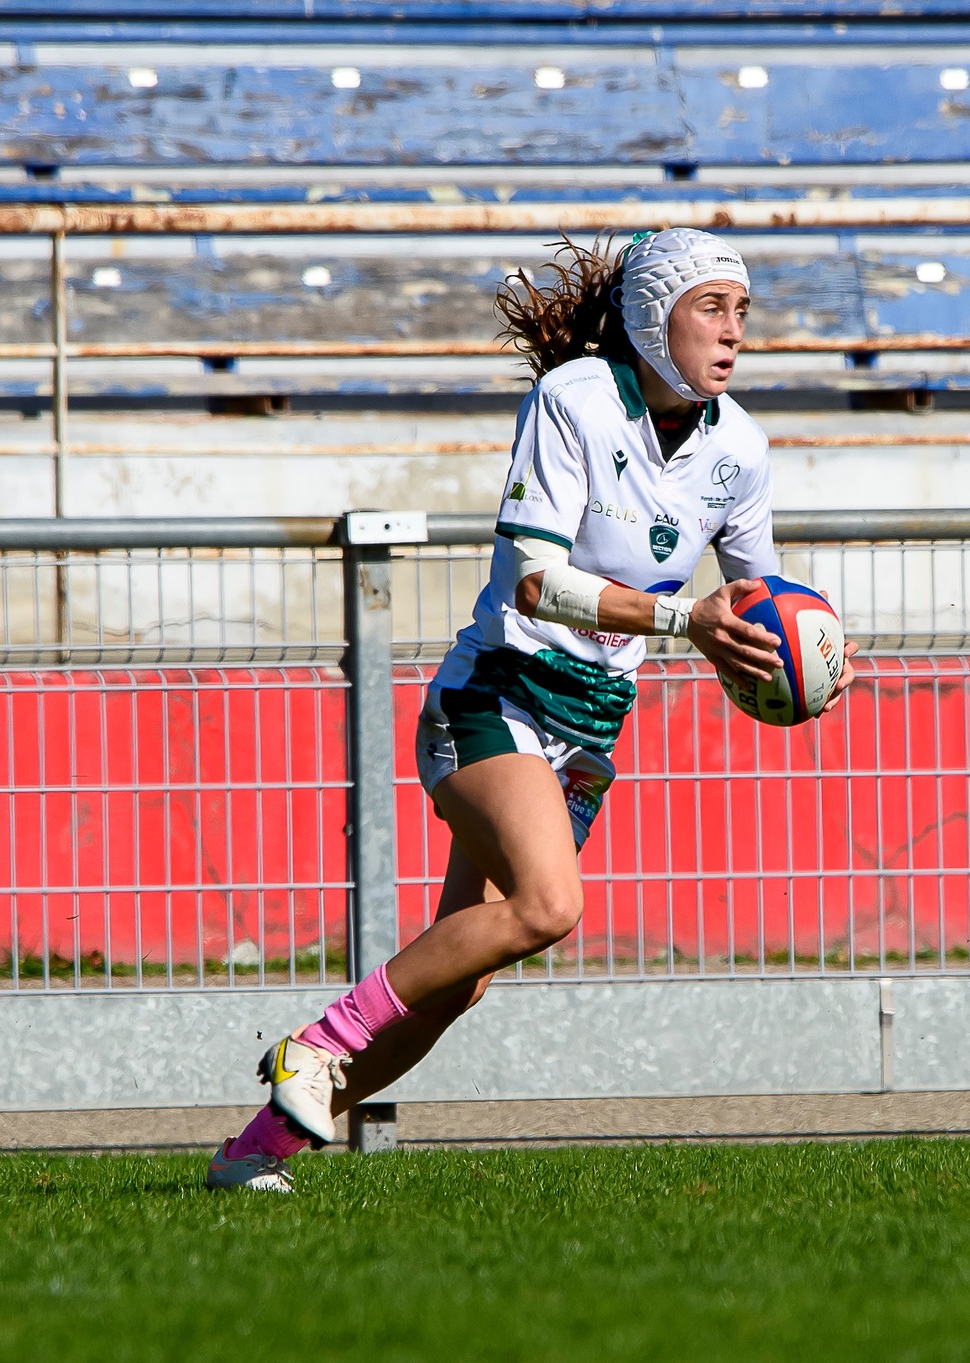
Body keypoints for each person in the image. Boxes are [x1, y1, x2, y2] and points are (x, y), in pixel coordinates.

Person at [207, 228, 857, 1191]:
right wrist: (687, 618)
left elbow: (760, 611)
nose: (733, 335)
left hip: (592, 725)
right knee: (548, 906)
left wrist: (806, 664)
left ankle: (257, 1150)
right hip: (497, 693)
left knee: (458, 980)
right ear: (650, 315)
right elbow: (532, 582)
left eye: (742, 312)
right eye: (709, 309)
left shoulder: (742, 448)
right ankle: (315, 1045)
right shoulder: (576, 400)